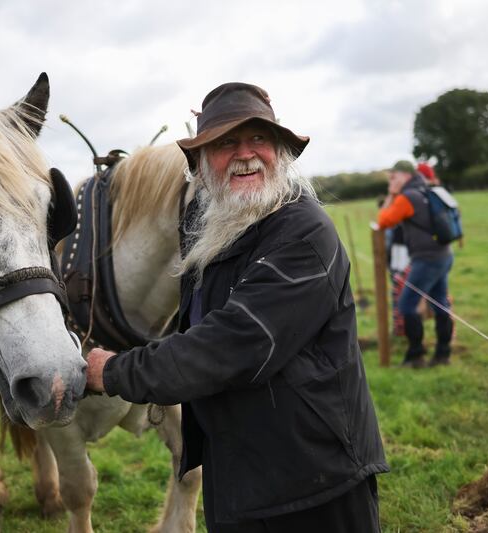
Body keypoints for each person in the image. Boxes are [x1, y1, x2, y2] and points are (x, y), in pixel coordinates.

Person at [85, 82, 388, 532]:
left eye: (259, 139)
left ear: (280, 151)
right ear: (203, 164)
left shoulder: (303, 234)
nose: (246, 154)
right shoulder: (215, 226)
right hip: (240, 473)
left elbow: (228, 346)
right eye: (226, 143)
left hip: (313, 481)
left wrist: (113, 371)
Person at [377, 160, 454, 368]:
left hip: (427, 259)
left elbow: (383, 221)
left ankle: (415, 356)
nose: (392, 181)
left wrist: (392, 194)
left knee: (406, 305)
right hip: (444, 254)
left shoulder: (407, 197)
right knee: (440, 303)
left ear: (404, 175)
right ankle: (442, 355)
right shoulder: (425, 190)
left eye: (393, 177)